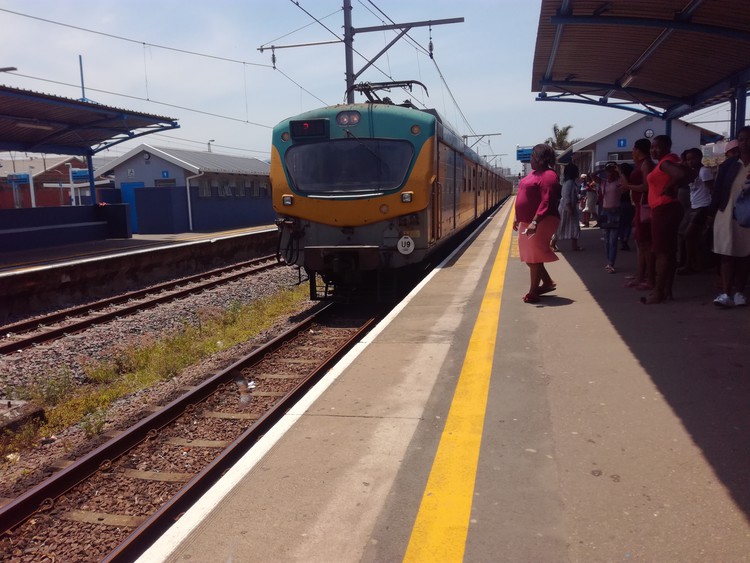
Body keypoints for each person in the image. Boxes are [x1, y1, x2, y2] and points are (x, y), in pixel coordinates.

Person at [643, 135, 690, 304]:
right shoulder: (671, 160)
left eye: (657, 147)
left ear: (667, 146)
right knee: (668, 252)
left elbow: (680, 174)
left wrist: (669, 187)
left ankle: (658, 291)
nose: (654, 150)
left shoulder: (665, 163)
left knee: (661, 252)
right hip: (667, 209)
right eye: (652, 148)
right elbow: (685, 174)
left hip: (664, 209)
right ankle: (667, 290)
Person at [513, 143, 562, 303]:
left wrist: (535, 221)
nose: (531, 160)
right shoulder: (536, 174)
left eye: (533, 157)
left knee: (533, 257)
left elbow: (547, 201)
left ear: (541, 159)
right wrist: (517, 216)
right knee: (530, 256)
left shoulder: (548, 175)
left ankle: (533, 291)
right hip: (528, 221)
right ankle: (547, 282)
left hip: (541, 221)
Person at [708, 125, 750, 307]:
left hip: (748, 218)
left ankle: (740, 292)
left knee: (745, 255)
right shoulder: (729, 165)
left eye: (749, 139)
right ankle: (726, 293)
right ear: (737, 143)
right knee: (726, 254)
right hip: (725, 215)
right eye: (741, 139)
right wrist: (711, 214)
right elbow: (717, 191)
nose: (745, 143)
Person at [620, 138, 655, 290]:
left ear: (638, 149)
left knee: (645, 244)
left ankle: (648, 277)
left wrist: (628, 187)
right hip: (639, 206)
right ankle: (641, 275)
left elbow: (647, 186)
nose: (632, 152)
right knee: (641, 243)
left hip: (645, 206)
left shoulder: (646, 164)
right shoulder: (641, 164)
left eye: (634, 149)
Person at [678, 147, 714, 274]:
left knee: (689, 235)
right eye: (688, 159)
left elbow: (712, 189)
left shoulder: (704, 171)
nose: (690, 162)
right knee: (689, 236)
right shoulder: (691, 172)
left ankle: (690, 265)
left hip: (703, 206)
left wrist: (712, 211)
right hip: (694, 206)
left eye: (693, 158)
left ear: (700, 158)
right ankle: (695, 262)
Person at [551, 162, 584, 251]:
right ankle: (552, 244)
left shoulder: (572, 182)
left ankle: (575, 245)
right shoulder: (569, 183)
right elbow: (566, 196)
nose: (578, 173)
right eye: (577, 171)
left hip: (571, 208)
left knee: (575, 226)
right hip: (566, 208)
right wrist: (569, 207)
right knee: (561, 226)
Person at [600, 162, 624, 273]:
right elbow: (592, 175)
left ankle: (611, 263)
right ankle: (608, 261)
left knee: (613, 240)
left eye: (611, 172)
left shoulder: (618, 182)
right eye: (607, 172)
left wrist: (618, 170)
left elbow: (625, 183)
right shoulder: (603, 183)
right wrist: (602, 169)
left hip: (615, 211)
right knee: (606, 240)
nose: (609, 174)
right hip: (605, 211)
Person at [617, 162, 635, 251]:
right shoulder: (632, 177)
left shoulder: (623, 178)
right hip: (630, 202)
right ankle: (625, 239)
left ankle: (623, 240)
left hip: (625, 201)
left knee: (622, 223)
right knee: (627, 223)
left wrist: (621, 173)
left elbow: (625, 186)